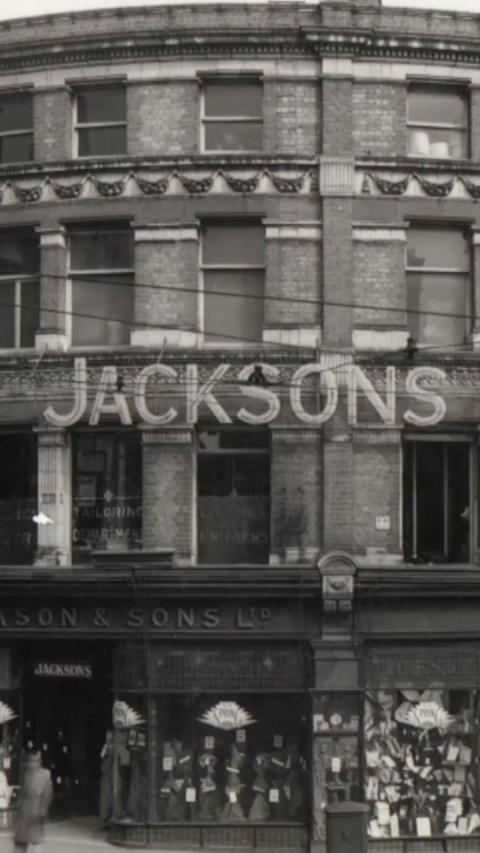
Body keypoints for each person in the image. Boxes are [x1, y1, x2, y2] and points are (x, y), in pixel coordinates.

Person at [13, 750, 53, 853]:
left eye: (34, 761)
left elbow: (47, 795)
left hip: (36, 813)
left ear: (39, 761)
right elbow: (22, 793)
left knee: (36, 842)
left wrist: (42, 812)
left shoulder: (45, 774)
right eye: (30, 761)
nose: (31, 763)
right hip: (24, 814)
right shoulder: (26, 774)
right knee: (20, 842)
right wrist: (18, 807)